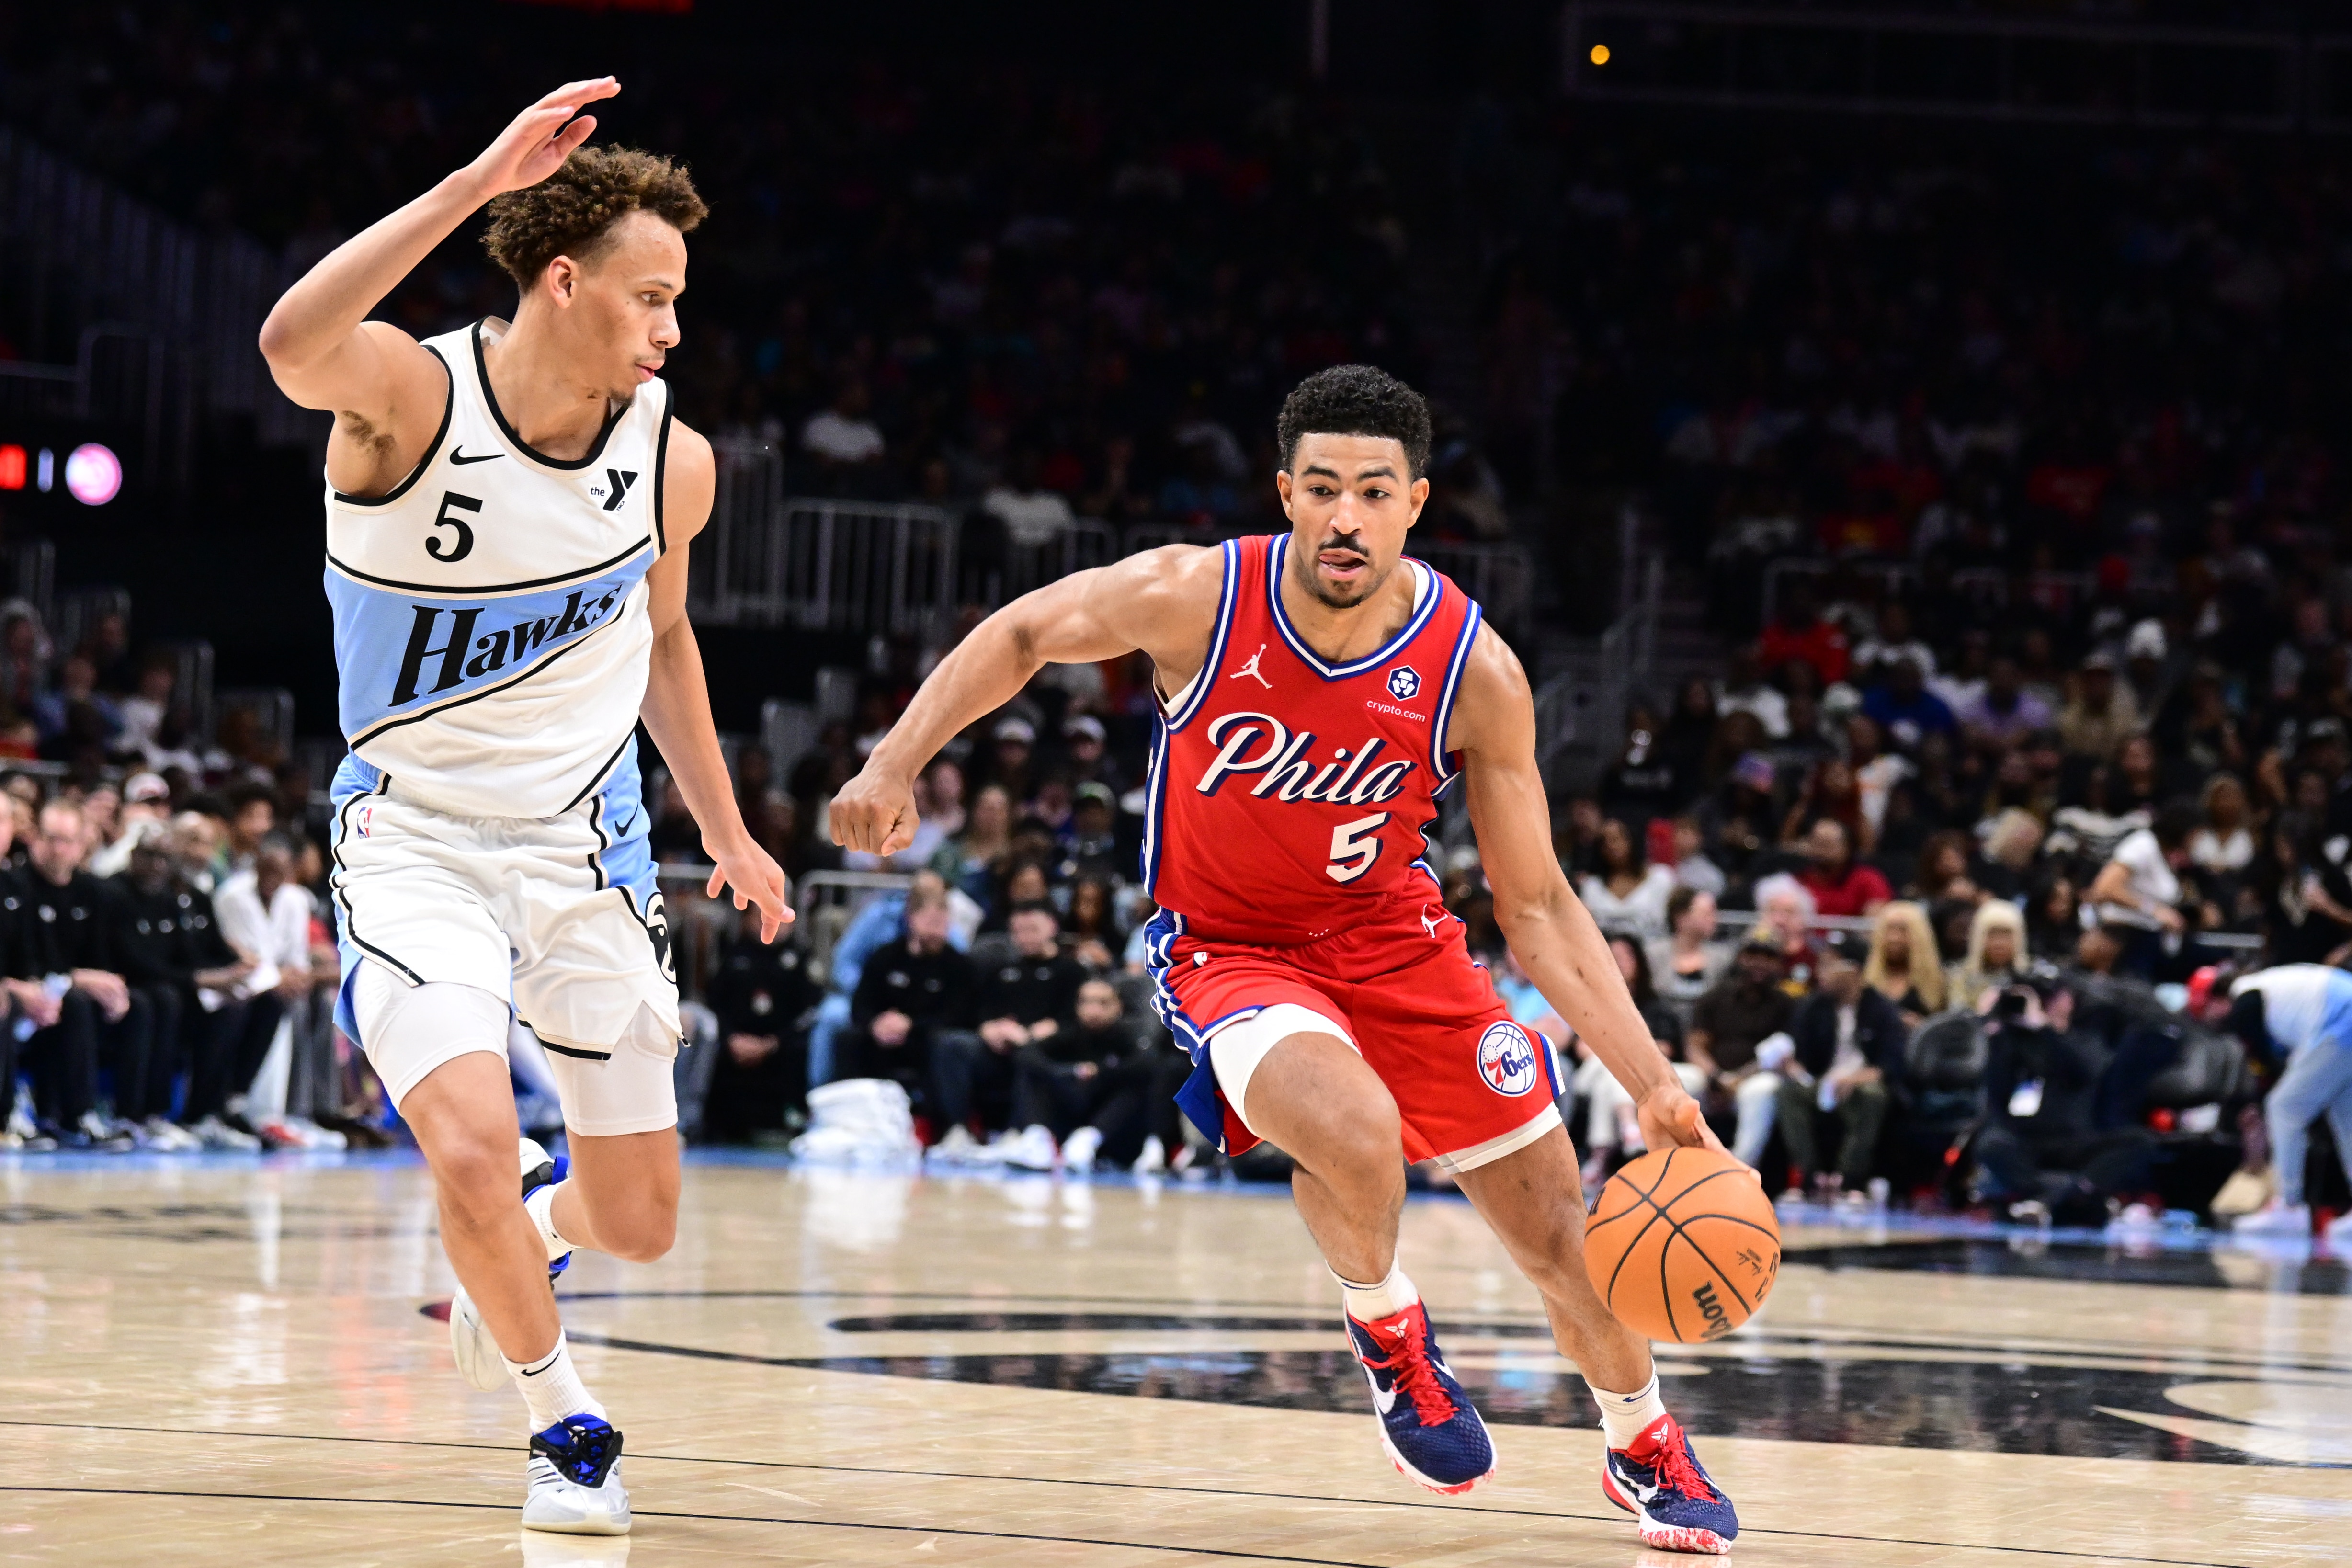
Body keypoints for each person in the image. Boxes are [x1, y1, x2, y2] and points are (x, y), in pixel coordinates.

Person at [829, 364, 1740, 1552]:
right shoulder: (1195, 597)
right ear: (1285, 492)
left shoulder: (1474, 666)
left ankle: (1639, 1439)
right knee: (1356, 1133)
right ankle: (1386, 1324)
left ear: (1415, 501)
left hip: (1398, 945)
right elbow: (1020, 634)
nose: (1344, 516)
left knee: (1560, 1235)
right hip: (1231, 948)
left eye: (1371, 491)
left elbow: (1541, 905)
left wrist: (1652, 1079)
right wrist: (894, 759)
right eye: (1320, 489)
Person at [258, 80, 791, 1535]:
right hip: (415, 836)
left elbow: (667, 641)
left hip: (588, 847)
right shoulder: (413, 401)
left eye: (679, 300)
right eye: (650, 296)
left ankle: (537, 1237)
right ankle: (563, 1421)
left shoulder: (671, 457)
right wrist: (471, 185)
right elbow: (290, 341)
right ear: (562, 279)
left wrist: (726, 827)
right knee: (467, 1145)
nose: (671, 329)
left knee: (641, 1218)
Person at [944, 900, 1087, 1160]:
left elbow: (1073, 1021)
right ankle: (959, 1128)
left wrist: (1030, 1035)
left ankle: (1018, 1132)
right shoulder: (1002, 970)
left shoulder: (1072, 971)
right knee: (952, 1044)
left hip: (1045, 1051)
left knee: (1028, 1052)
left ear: (1052, 928)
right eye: (1018, 931)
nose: (1025, 938)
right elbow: (982, 1011)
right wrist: (990, 1028)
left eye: (1032, 929)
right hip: (999, 1048)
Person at [2222, 965, 2352, 1245]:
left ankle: (2288, 1206)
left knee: (2284, 1108)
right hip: (2341, 1018)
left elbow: (2266, 1059)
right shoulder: (2273, 990)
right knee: (2347, 1118)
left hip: (2342, 1019)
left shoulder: (2245, 996)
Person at [1776, 932, 1906, 1201]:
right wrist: (1791, 1067)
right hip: (1823, 1084)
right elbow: (1802, 1056)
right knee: (1788, 1092)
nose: (1821, 972)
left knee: (1873, 1095)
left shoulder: (1881, 1008)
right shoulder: (1813, 1007)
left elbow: (1891, 1064)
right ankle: (1808, 1177)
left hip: (1861, 1085)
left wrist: (1857, 1079)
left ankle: (1850, 1180)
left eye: (1829, 964)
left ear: (1854, 970)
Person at [840, 880, 978, 1114]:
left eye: (944, 924)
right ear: (911, 919)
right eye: (931, 922)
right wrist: (875, 1024)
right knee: (848, 1038)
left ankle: (943, 1121)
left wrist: (912, 1025)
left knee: (945, 1044)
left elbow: (960, 1015)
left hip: (925, 1037)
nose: (938, 931)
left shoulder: (958, 965)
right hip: (883, 1035)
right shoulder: (885, 957)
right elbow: (861, 1004)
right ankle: (849, 1114)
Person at [1687, 931, 1796, 1171]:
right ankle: (1671, 1162)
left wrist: (1737, 1080)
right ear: (1740, 959)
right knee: (1682, 1078)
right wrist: (1715, 1077)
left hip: (1753, 1079)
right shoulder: (1716, 997)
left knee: (1761, 1089)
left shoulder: (1786, 1005)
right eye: (1753, 955)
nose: (1759, 963)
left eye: (1768, 957)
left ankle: (1738, 1170)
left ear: (1778, 964)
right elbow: (1695, 1045)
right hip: (1713, 1080)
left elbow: (1782, 1054)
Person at [2084, 802, 2196, 978]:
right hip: (2124, 939)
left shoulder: (2168, 856)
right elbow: (2104, 888)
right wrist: (2154, 910)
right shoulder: (2143, 845)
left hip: (2150, 942)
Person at [1647, 886, 1729, 1027]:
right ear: (1682, 917)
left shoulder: (1723, 958)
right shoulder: (1653, 954)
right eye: (1708, 914)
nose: (1715, 919)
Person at [1863, 900, 1947, 1021]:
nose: (1894, 938)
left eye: (1903, 930)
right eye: (1889, 930)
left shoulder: (1939, 983)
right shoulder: (1866, 982)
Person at [1949, 900, 2029, 1011]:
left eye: (2006, 934)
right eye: (1992, 934)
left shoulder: (2030, 977)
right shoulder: (1960, 978)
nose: (1999, 943)